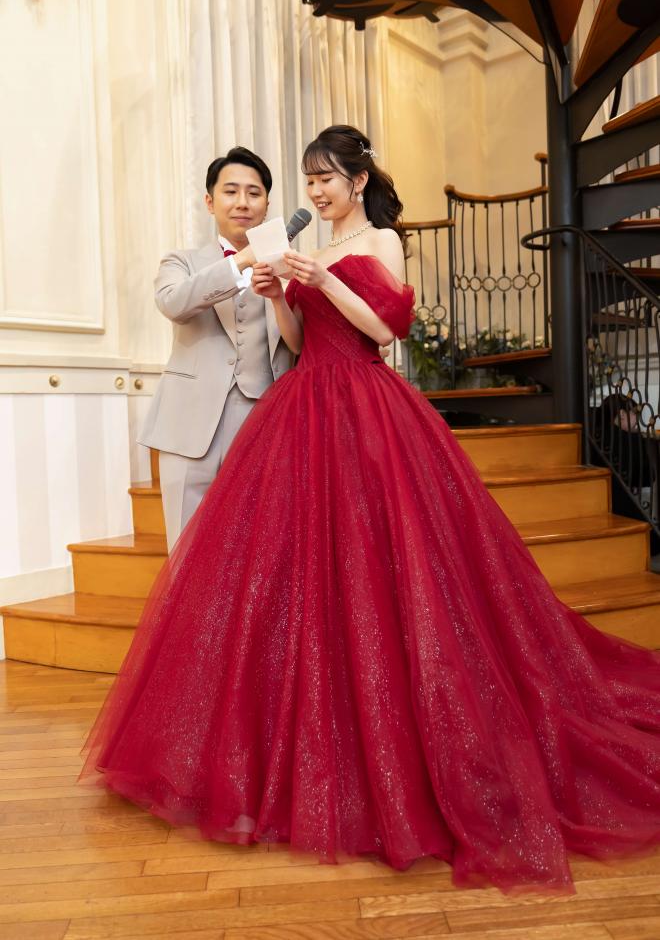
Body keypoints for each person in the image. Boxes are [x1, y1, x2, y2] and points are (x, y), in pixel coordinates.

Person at [82, 125, 660, 894]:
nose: (316, 191)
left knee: (385, 567)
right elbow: (296, 340)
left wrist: (318, 281)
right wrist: (279, 297)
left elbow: (385, 328)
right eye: (309, 179)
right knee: (297, 580)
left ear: (358, 181)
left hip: (366, 409)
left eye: (327, 177)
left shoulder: (383, 241)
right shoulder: (311, 249)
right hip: (302, 406)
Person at [139, 147, 293, 550]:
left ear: (267, 205)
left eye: (254, 193)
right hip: (188, 426)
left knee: (254, 550)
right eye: (231, 191)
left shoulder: (290, 267)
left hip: (263, 423)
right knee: (186, 551)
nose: (243, 202)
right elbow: (173, 303)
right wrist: (241, 261)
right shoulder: (181, 261)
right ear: (210, 202)